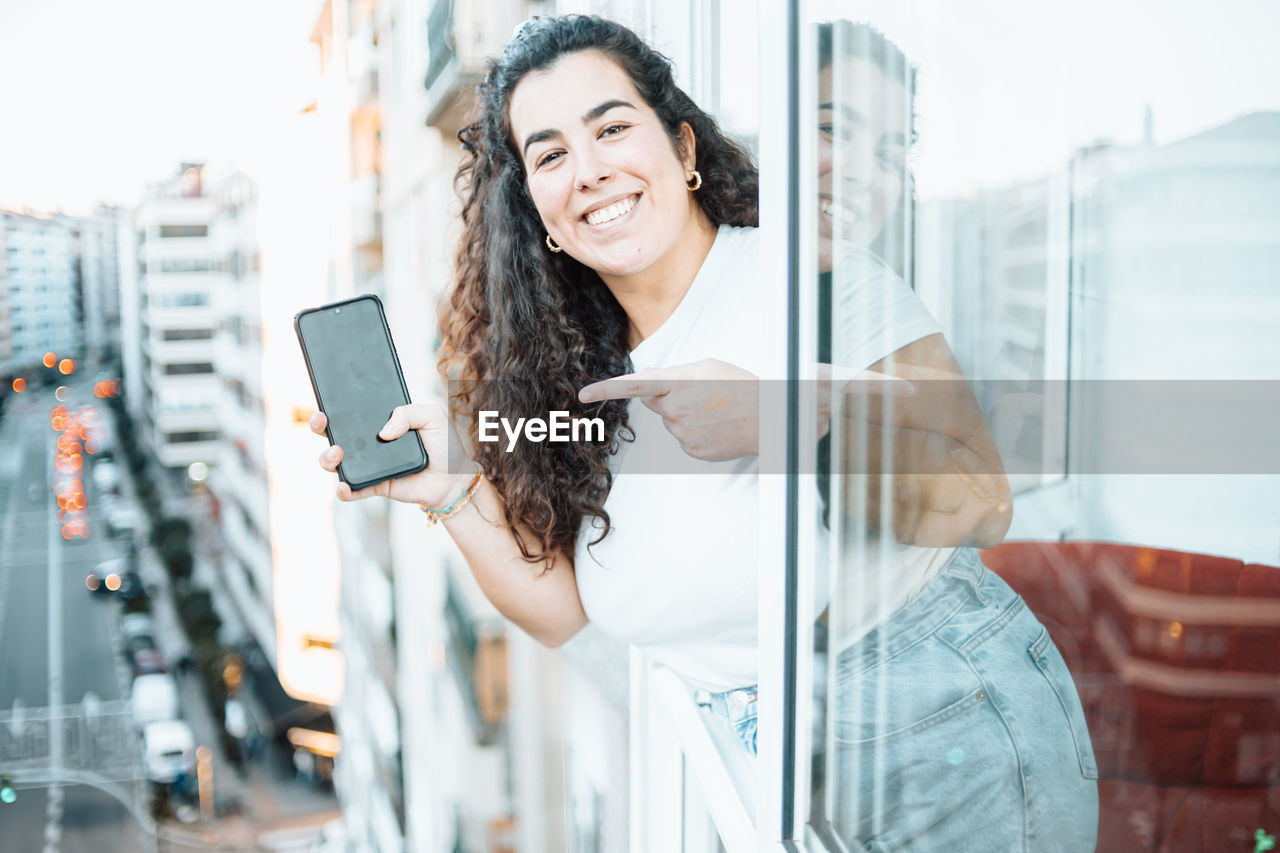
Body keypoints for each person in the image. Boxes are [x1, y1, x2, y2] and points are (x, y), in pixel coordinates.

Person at [308, 13, 1094, 850]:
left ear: (683, 151)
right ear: (535, 207)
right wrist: (451, 489)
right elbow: (570, 611)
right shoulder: (567, 374)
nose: (590, 170)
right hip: (782, 781)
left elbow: (980, 502)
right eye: (550, 154)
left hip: (944, 733)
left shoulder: (809, 284)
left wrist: (788, 416)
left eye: (612, 127)